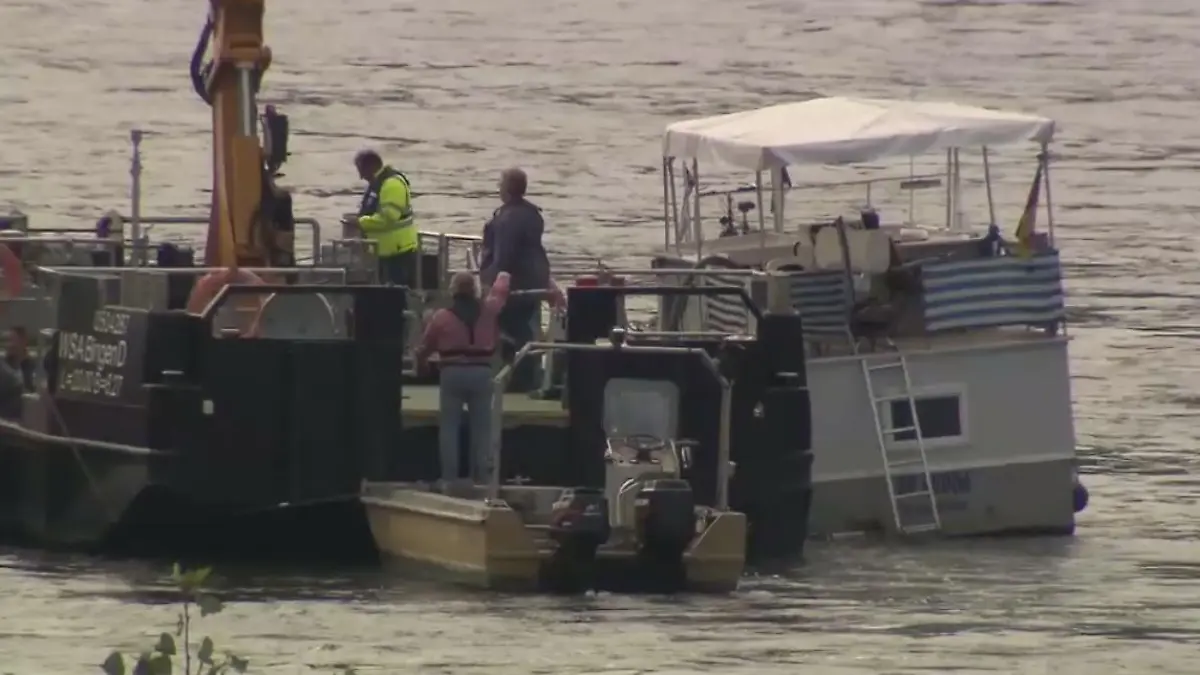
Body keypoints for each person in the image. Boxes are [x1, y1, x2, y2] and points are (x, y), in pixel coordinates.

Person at [414, 271, 511, 484]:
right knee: (482, 430)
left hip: (451, 373)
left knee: (449, 428)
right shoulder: (489, 311)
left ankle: (450, 478)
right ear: (475, 290)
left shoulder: (441, 317)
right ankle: (483, 478)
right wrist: (502, 273)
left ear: (453, 291)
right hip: (482, 373)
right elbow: (501, 291)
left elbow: (424, 348)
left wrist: (420, 364)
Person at [479, 168, 563, 388]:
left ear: (507, 188)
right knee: (528, 324)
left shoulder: (507, 219)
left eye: (500, 183)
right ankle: (531, 372)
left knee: (511, 328)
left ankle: (518, 378)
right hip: (535, 278)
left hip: (516, 285)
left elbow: (505, 252)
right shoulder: (532, 214)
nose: (498, 187)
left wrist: (499, 278)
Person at [351, 150, 419, 287]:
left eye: (361, 170)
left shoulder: (392, 184)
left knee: (397, 295)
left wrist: (360, 223)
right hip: (384, 251)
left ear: (370, 166)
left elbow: (388, 218)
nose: (360, 176)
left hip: (398, 252)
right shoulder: (377, 183)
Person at [4, 326, 35, 393]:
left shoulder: (33, 367)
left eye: (12, 340)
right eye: (7, 340)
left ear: (23, 341)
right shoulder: (4, 367)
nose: (9, 344)